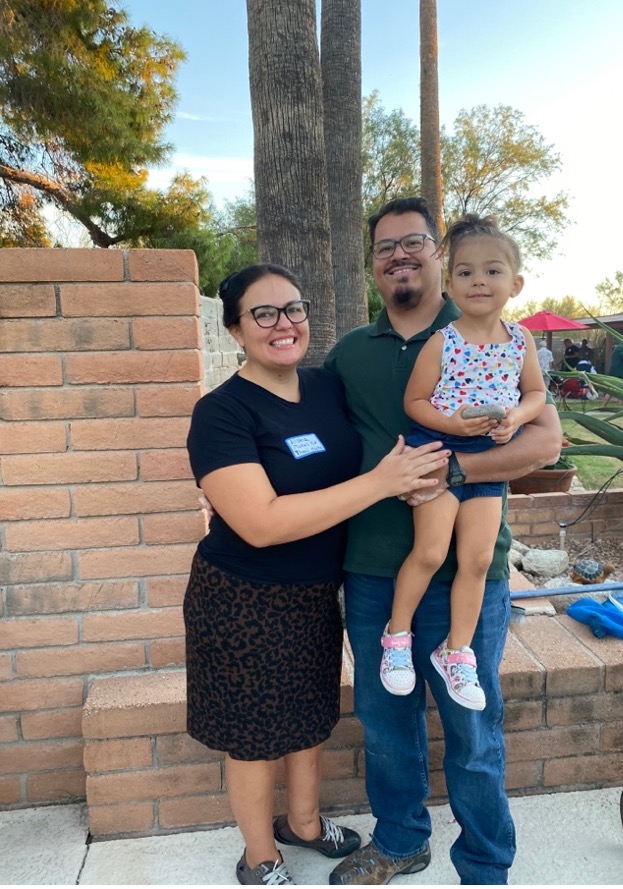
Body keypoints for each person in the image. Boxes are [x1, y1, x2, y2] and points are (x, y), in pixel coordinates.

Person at [185, 263, 447, 886]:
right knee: (254, 736)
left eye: (293, 309)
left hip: (314, 593)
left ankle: (303, 823)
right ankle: (259, 858)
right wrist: (380, 483)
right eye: (263, 313)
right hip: (242, 598)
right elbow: (262, 523)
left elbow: (384, 432)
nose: (284, 324)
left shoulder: (326, 387)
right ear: (234, 329)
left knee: (309, 719)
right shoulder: (221, 413)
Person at [324, 197, 561, 885]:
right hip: (373, 568)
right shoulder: (349, 353)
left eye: (414, 243)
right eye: (385, 247)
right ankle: (401, 841)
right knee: (385, 723)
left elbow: (545, 441)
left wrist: (454, 469)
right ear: (373, 264)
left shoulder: (491, 331)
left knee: (472, 730)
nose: (399, 255)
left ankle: (485, 865)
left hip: (469, 571)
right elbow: (307, 429)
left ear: (438, 256)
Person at [379, 215, 546, 709]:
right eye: (466, 272)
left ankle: (456, 652)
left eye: (493, 271)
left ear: (515, 284)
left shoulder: (520, 340)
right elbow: (415, 402)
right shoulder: (444, 340)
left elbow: (535, 394)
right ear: (450, 284)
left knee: (476, 559)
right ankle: (397, 637)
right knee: (431, 552)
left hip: (489, 459)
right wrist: (451, 423)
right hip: (439, 451)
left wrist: (516, 418)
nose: (479, 281)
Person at [601, 341, 623, 408]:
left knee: (611, 390)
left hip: (616, 373)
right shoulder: (622, 347)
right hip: (620, 373)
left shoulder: (618, 347)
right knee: (621, 391)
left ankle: (604, 406)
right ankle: (618, 407)